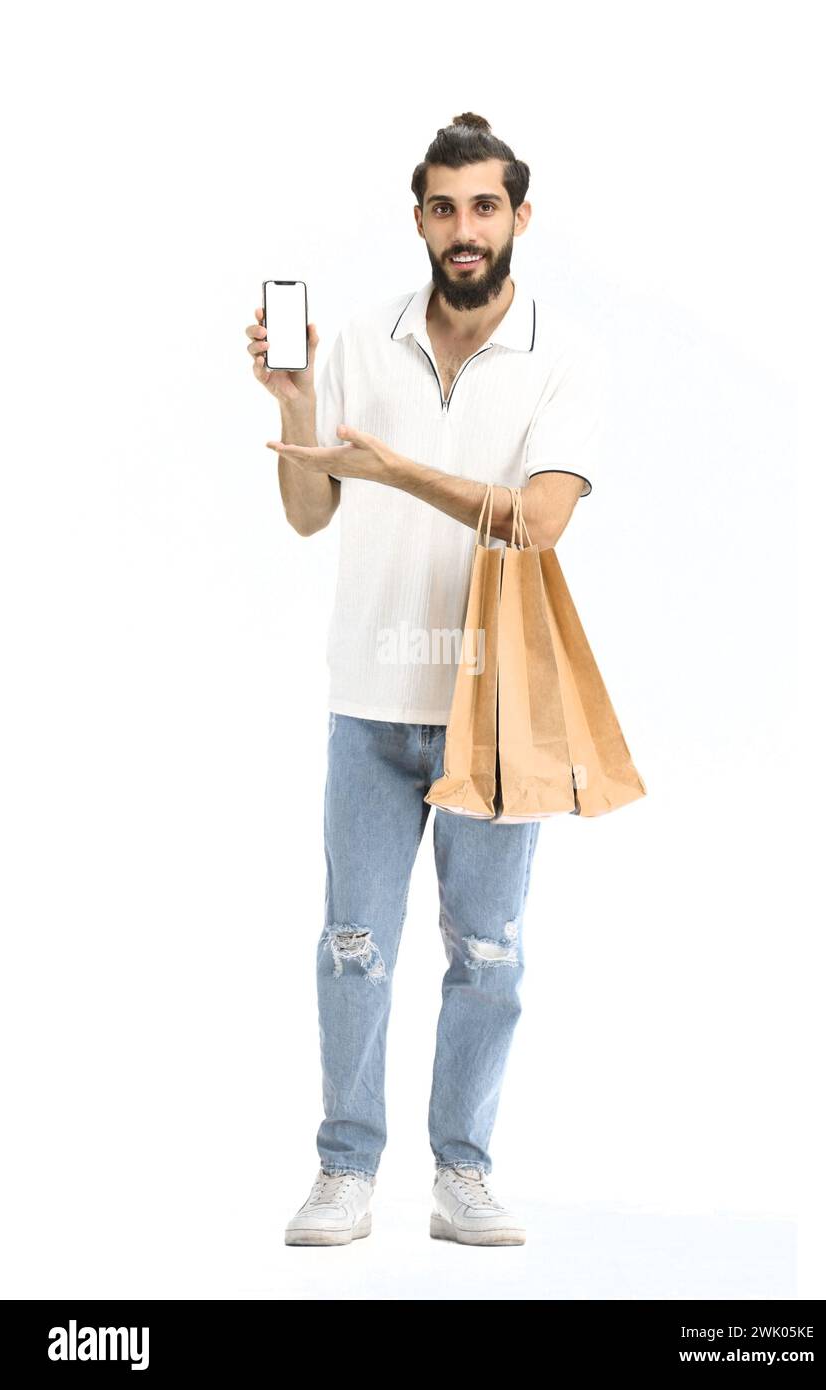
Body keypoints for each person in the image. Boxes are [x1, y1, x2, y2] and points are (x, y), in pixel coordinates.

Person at [246, 112, 607, 1247]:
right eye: (443, 207)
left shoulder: (559, 355)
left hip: (494, 706)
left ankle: (462, 1171)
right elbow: (311, 515)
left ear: (518, 218)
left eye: (483, 206)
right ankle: (345, 1167)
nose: (463, 229)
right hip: (369, 699)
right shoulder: (359, 337)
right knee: (352, 941)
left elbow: (538, 525)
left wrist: (397, 469)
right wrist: (296, 410)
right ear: (418, 218)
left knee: (486, 951)